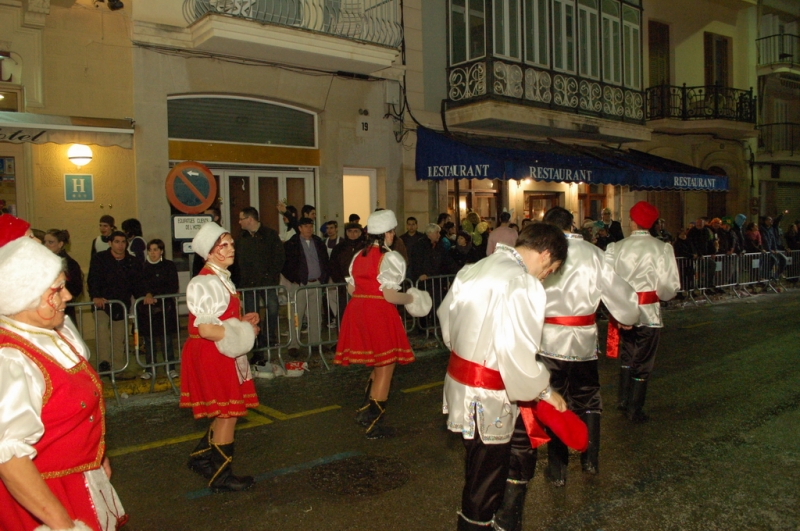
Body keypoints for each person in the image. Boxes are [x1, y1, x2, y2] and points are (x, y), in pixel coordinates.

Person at [439, 223, 570, 531]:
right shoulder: (522, 283)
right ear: (545, 254)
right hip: (489, 394)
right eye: (551, 269)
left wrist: (469, 352)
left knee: (476, 469)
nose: (546, 276)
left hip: (460, 384)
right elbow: (517, 350)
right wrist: (544, 391)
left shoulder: (473, 269)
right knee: (484, 483)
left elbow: (447, 318)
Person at [0, 237, 127, 531]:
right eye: (56, 290)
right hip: (45, 498)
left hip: (76, 479)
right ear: (25, 297)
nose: (68, 296)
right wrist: (62, 525)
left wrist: (96, 455)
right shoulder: (11, 359)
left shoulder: (48, 332)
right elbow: (10, 458)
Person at [537, 207, 638, 486]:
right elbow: (618, 293)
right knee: (588, 398)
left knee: (554, 398)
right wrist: (627, 315)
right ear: (572, 224)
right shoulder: (595, 254)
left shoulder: (542, 254)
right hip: (582, 340)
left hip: (548, 340)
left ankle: (557, 470)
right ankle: (590, 459)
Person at [334, 210, 429, 439]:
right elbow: (389, 295)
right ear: (389, 232)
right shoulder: (390, 257)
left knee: (376, 363)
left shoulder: (358, 255)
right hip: (379, 312)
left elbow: (351, 288)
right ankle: (374, 424)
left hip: (357, 310)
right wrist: (412, 298)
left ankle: (366, 412)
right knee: (385, 366)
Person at [180, 222, 260, 493]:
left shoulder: (219, 277)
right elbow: (206, 328)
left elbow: (220, 320)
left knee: (222, 411)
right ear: (209, 253)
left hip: (218, 348)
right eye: (222, 245)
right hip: (212, 351)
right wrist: (245, 330)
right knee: (227, 414)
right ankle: (222, 477)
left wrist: (242, 320)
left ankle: (202, 458)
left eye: (231, 243)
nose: (230, 248)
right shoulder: (206, 281)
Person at [605, 201, 680, 423]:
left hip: (623, 310)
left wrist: (618, 305)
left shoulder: (616, 248)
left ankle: (623, 399)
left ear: (633, 221)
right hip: (648, 312)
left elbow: (607, 281)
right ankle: (634, 408)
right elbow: (669, 286)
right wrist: (659, 295)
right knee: (644, 359)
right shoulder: (662, 248)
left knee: (628, 354)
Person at [87, 230, 141, 379]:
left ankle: (118, 368)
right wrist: (96, 296)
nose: (120, 245)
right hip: (102, 303)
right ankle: (105, 363)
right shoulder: (100, 259)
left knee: (120, 336)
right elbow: (93, 278)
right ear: (110, 243)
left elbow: (137, 283)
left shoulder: (132, 261)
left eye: (123, 242)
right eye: (117, 242)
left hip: (121, 304)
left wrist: (144, 296)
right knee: (102, 332)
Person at [233, 207, 285, 362]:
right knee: (251, 317)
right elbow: (236, 263)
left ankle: (269, 339)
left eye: (241, 218)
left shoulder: (270, 235)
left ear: (250, 219)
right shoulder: (241, 239)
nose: (239, 222)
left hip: (267, 283)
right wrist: (239, 282)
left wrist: (270, 275)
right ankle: (257, 349)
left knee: (273, 310)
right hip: (248, 285)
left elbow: (279, 257)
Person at [282, 217, 330, 357]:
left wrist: (323, 278)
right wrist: (294, 279)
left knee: (315, 316)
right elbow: (285, 264)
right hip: (300, 285)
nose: (309, 229)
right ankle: (294, 345)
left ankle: (315, 343)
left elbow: (325, 261)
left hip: (316, 283)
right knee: (296, 315)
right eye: (305, 226)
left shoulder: (318, 242)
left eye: (310, 226)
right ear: (299, 228)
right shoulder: (292, 244)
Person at [138, 239, 180, 380]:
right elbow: (140, 286)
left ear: (161, 251)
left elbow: (172, 286)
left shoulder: (168, 266)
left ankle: (170, 368)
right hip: (147, 311)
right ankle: (150, 369)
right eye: (150, 250)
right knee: (149, 340)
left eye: (155, 249)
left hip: (165, 309)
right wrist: (147, 294)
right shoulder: (143, 267)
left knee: (166, 339)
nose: (153, 253)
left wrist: (155, 295)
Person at [43, 229, 83, 323]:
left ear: (60, 244)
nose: (46, 245)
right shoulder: (42, 261)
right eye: (45, 242)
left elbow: (76, 289)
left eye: (50, 242)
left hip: (64, 310)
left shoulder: (70, 264)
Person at [328, 222, 366, 323]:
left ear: (360, 233)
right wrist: (340, 281)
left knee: (361, 314)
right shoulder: (339, 248)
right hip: (343, 286)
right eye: (350, 231)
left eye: (355, 231)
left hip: (362, 287)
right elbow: (333, 266)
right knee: (344, 313)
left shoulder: (365, 248)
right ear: (346, 233)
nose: (352, 234)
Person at [192, 208, 221, 277]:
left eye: (208, 216)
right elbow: (197, 263)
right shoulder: (202, 236)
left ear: (216, 218)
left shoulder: (222, 236)